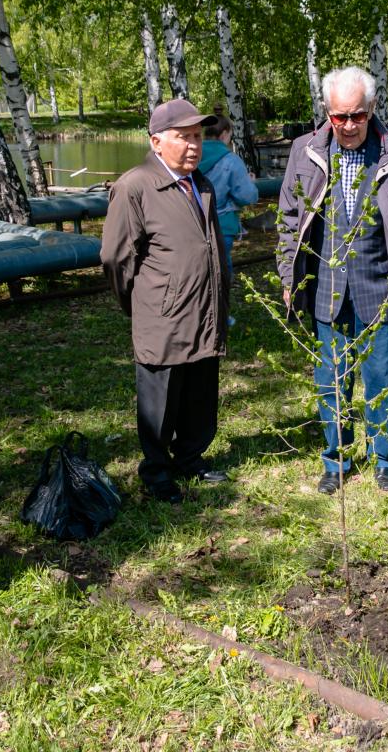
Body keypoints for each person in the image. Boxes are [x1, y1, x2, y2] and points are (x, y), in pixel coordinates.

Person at [277, 66, 388, 494]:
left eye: (357, 116)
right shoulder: (304, 151)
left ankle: (384, 458)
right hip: (326, 286)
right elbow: (289, 218)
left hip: (379, 286)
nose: (347, 125)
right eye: (339, 116)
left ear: (372, 109)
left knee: (382, 376)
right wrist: (290, 272)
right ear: (327, 113)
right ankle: (336, 461)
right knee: (331, 378)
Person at [101, 99, 231, 503]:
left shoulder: (200, 182)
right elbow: (115, 258)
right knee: (160, 402)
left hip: (205, 310)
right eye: (184, 137)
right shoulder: (135, 186)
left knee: (199, 392)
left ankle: (190, 457)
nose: (194, 145)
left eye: (198, 136)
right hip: (164, 316)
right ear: (157, 142)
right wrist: (143, 305)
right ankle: (156, 472)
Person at [197, 114, 259, 285]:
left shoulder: (192, 155)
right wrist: (250, 182)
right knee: (221, 271)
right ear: (224, 134)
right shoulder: (231, 160)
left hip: (193, 223)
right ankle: (221, 311)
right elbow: (247, 196)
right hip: (222, 226)